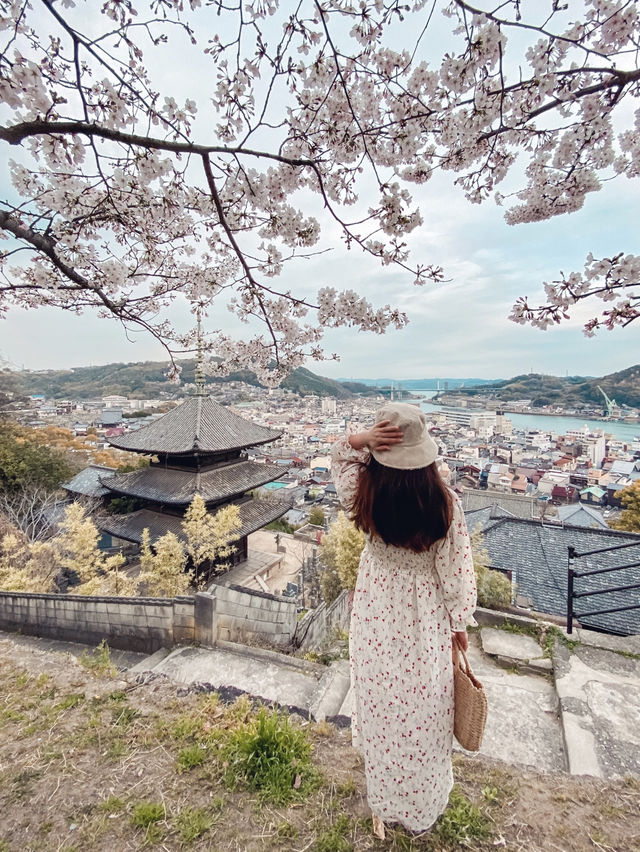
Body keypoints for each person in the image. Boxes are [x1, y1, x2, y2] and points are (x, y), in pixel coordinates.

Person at [331, 402, 477, 838]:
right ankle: (420, 805)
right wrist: (459, 624)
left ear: (380, 448)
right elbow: (456, 572)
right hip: (424, 614)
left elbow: (338, 454)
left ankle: (384, 801)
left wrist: (361, 440)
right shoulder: (444, 502)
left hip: (376, 607)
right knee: (425, 708)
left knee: (381, 705)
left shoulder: (363, 490)